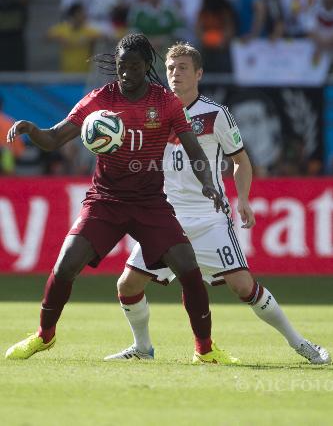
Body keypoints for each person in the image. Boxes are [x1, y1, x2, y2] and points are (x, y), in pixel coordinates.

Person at [5, 33, 228, 364]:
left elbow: (194, 149)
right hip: (105, 200)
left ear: (147, 66)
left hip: (150, 202)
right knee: (66, 265)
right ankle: (44, 336)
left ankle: (205, 350)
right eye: (122, 66)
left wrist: (208, 181)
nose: (126, 73)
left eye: (134, 67)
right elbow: (54, 138)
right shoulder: (98, 100)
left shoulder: (166, 103)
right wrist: (30, 128)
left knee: (188, 268)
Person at [104, 42, 331, 365]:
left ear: (199, 73)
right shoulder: (152, 111)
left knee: (242, 286)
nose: (175, 74)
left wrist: (244, 200)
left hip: (208, 217)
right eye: (170, 68)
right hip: (165, 218)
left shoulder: (215, 114)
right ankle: (143, 347)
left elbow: (241, 161)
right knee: (127, 284)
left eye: (182, 68)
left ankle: (300, 344)